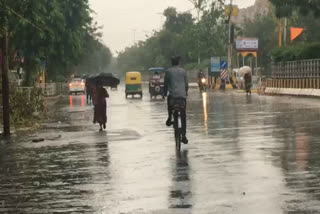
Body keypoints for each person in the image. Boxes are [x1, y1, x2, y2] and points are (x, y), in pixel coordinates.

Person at [164, 55, 189, 144]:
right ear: (178, 63)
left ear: (171, 63)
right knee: (183, 116)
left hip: (173, 97)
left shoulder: (168, 72)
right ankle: (184, 135)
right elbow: (186, 84)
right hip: (182, 97)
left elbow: (166, 85)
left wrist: (164, 93)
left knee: (169, 103)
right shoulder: (183, 71)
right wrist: (185, 93)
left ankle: (170, 117)